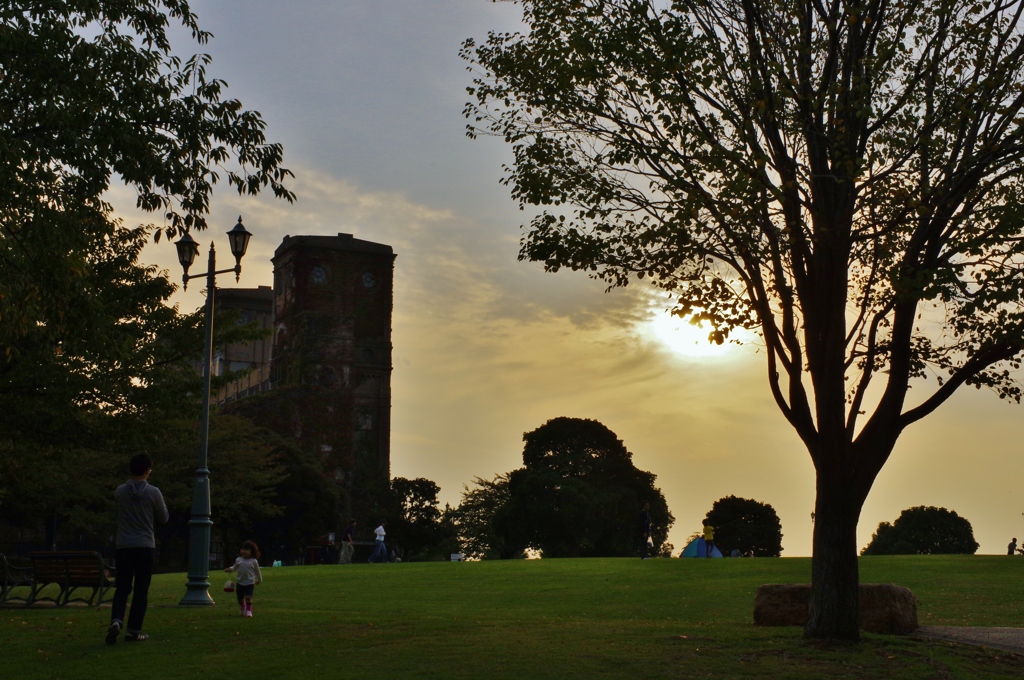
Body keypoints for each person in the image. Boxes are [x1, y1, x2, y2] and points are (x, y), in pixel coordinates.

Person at [105, 453, 169, 645]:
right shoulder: (153, 492)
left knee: (122, 587)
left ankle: (116, 620)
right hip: (145, 545)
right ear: (147, 470)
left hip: (124, 545)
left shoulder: (120, 492)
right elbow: (164, 517)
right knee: (141, 589)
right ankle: (133, 630)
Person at [225, 540, 263, 617]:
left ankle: (249, 611)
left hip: (250, 582)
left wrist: (259, 579)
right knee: (240, 599)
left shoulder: (254, 561)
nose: (244, 551)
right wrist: (230, 569)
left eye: (247, 550)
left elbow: (257, 571)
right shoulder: (238, 560)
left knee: (248, 597)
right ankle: (243, 606)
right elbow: (235, 567)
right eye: (242, 549)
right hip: (240, 582)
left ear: (252, 552)